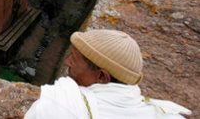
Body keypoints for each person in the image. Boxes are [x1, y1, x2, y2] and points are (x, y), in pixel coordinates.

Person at [24, 29, 191, 118]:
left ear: (102, 77)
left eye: (74, 59)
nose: (67, 63)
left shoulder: (57, 107)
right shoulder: (165, 114)